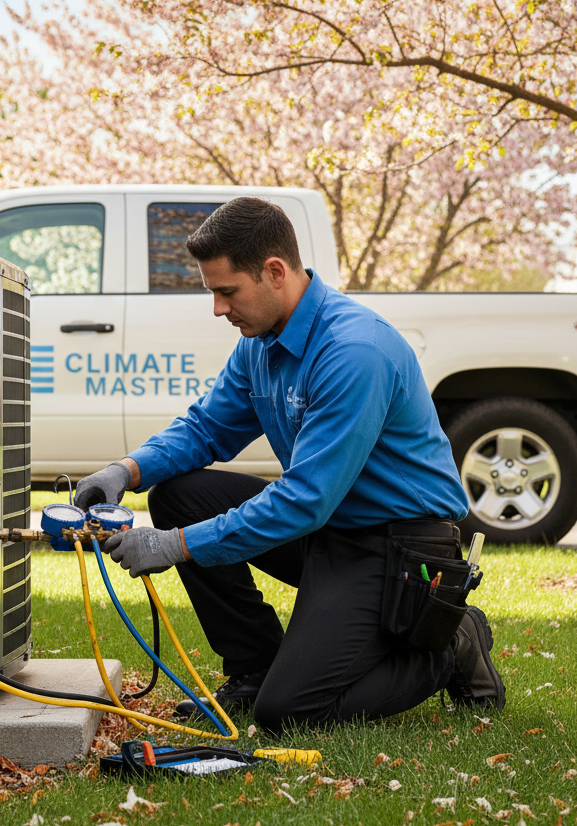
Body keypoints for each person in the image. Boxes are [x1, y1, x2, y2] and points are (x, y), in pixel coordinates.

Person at [75, 197, 505, 731]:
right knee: (177, 495)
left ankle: (450, 643)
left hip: (396, 545)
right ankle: (253, 668)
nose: (217, 308)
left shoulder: (354, 351)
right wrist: (127, 471)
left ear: (274, 272)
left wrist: (175, 545)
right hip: (328, 529)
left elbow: (305, 499)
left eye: (226, 291)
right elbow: (209, 427)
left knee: (290, 714)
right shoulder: (261, 341)